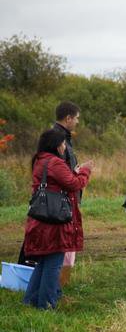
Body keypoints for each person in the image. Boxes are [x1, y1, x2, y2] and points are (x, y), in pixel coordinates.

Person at [22, 129, 93, 309]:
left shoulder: (41, 159)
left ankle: (30, 300)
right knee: (53, 264)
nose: (64, 146)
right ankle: (46, 305)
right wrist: (84, 171)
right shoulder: (55, 162)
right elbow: (74, 184)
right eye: (62, 143)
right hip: (55, 221)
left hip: (42, 220)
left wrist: (73, 172)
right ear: (56, 145)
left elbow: (62, 180)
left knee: (43, 262)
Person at [51, 101, 81, 290]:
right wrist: (78, 174)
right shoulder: (57, 138)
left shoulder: (65, 137)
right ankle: (57, 286)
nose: (77, 122)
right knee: (62, 244)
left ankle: (60, 284)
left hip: (68, 197)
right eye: (76, 118)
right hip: (62, 200)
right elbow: (60, 172)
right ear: (68, 118)